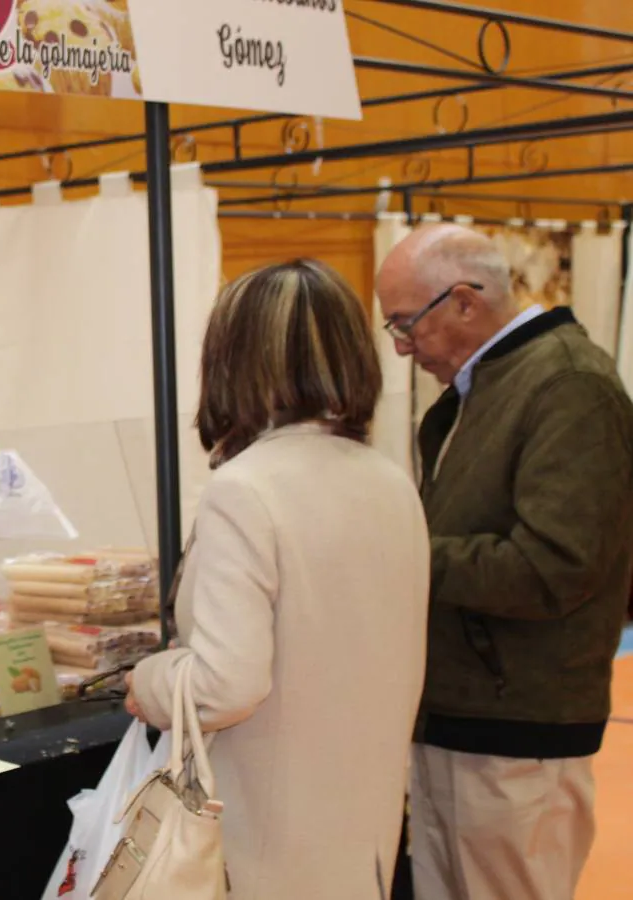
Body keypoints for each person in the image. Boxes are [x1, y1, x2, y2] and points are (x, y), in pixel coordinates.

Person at [123, 259, 430, 899]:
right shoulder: (390, 482)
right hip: (361, 829)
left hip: (267, 839)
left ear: (232, 360)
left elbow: (224, 685)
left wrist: (149, 680)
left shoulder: (246, 488)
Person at [376, 223, 633, 900]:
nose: (401, 346)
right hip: (457, 715)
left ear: (464, 301)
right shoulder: (485, 386)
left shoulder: (568, 385)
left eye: (406, 324)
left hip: (518, 727)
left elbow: (554, 566)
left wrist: (405, 556)